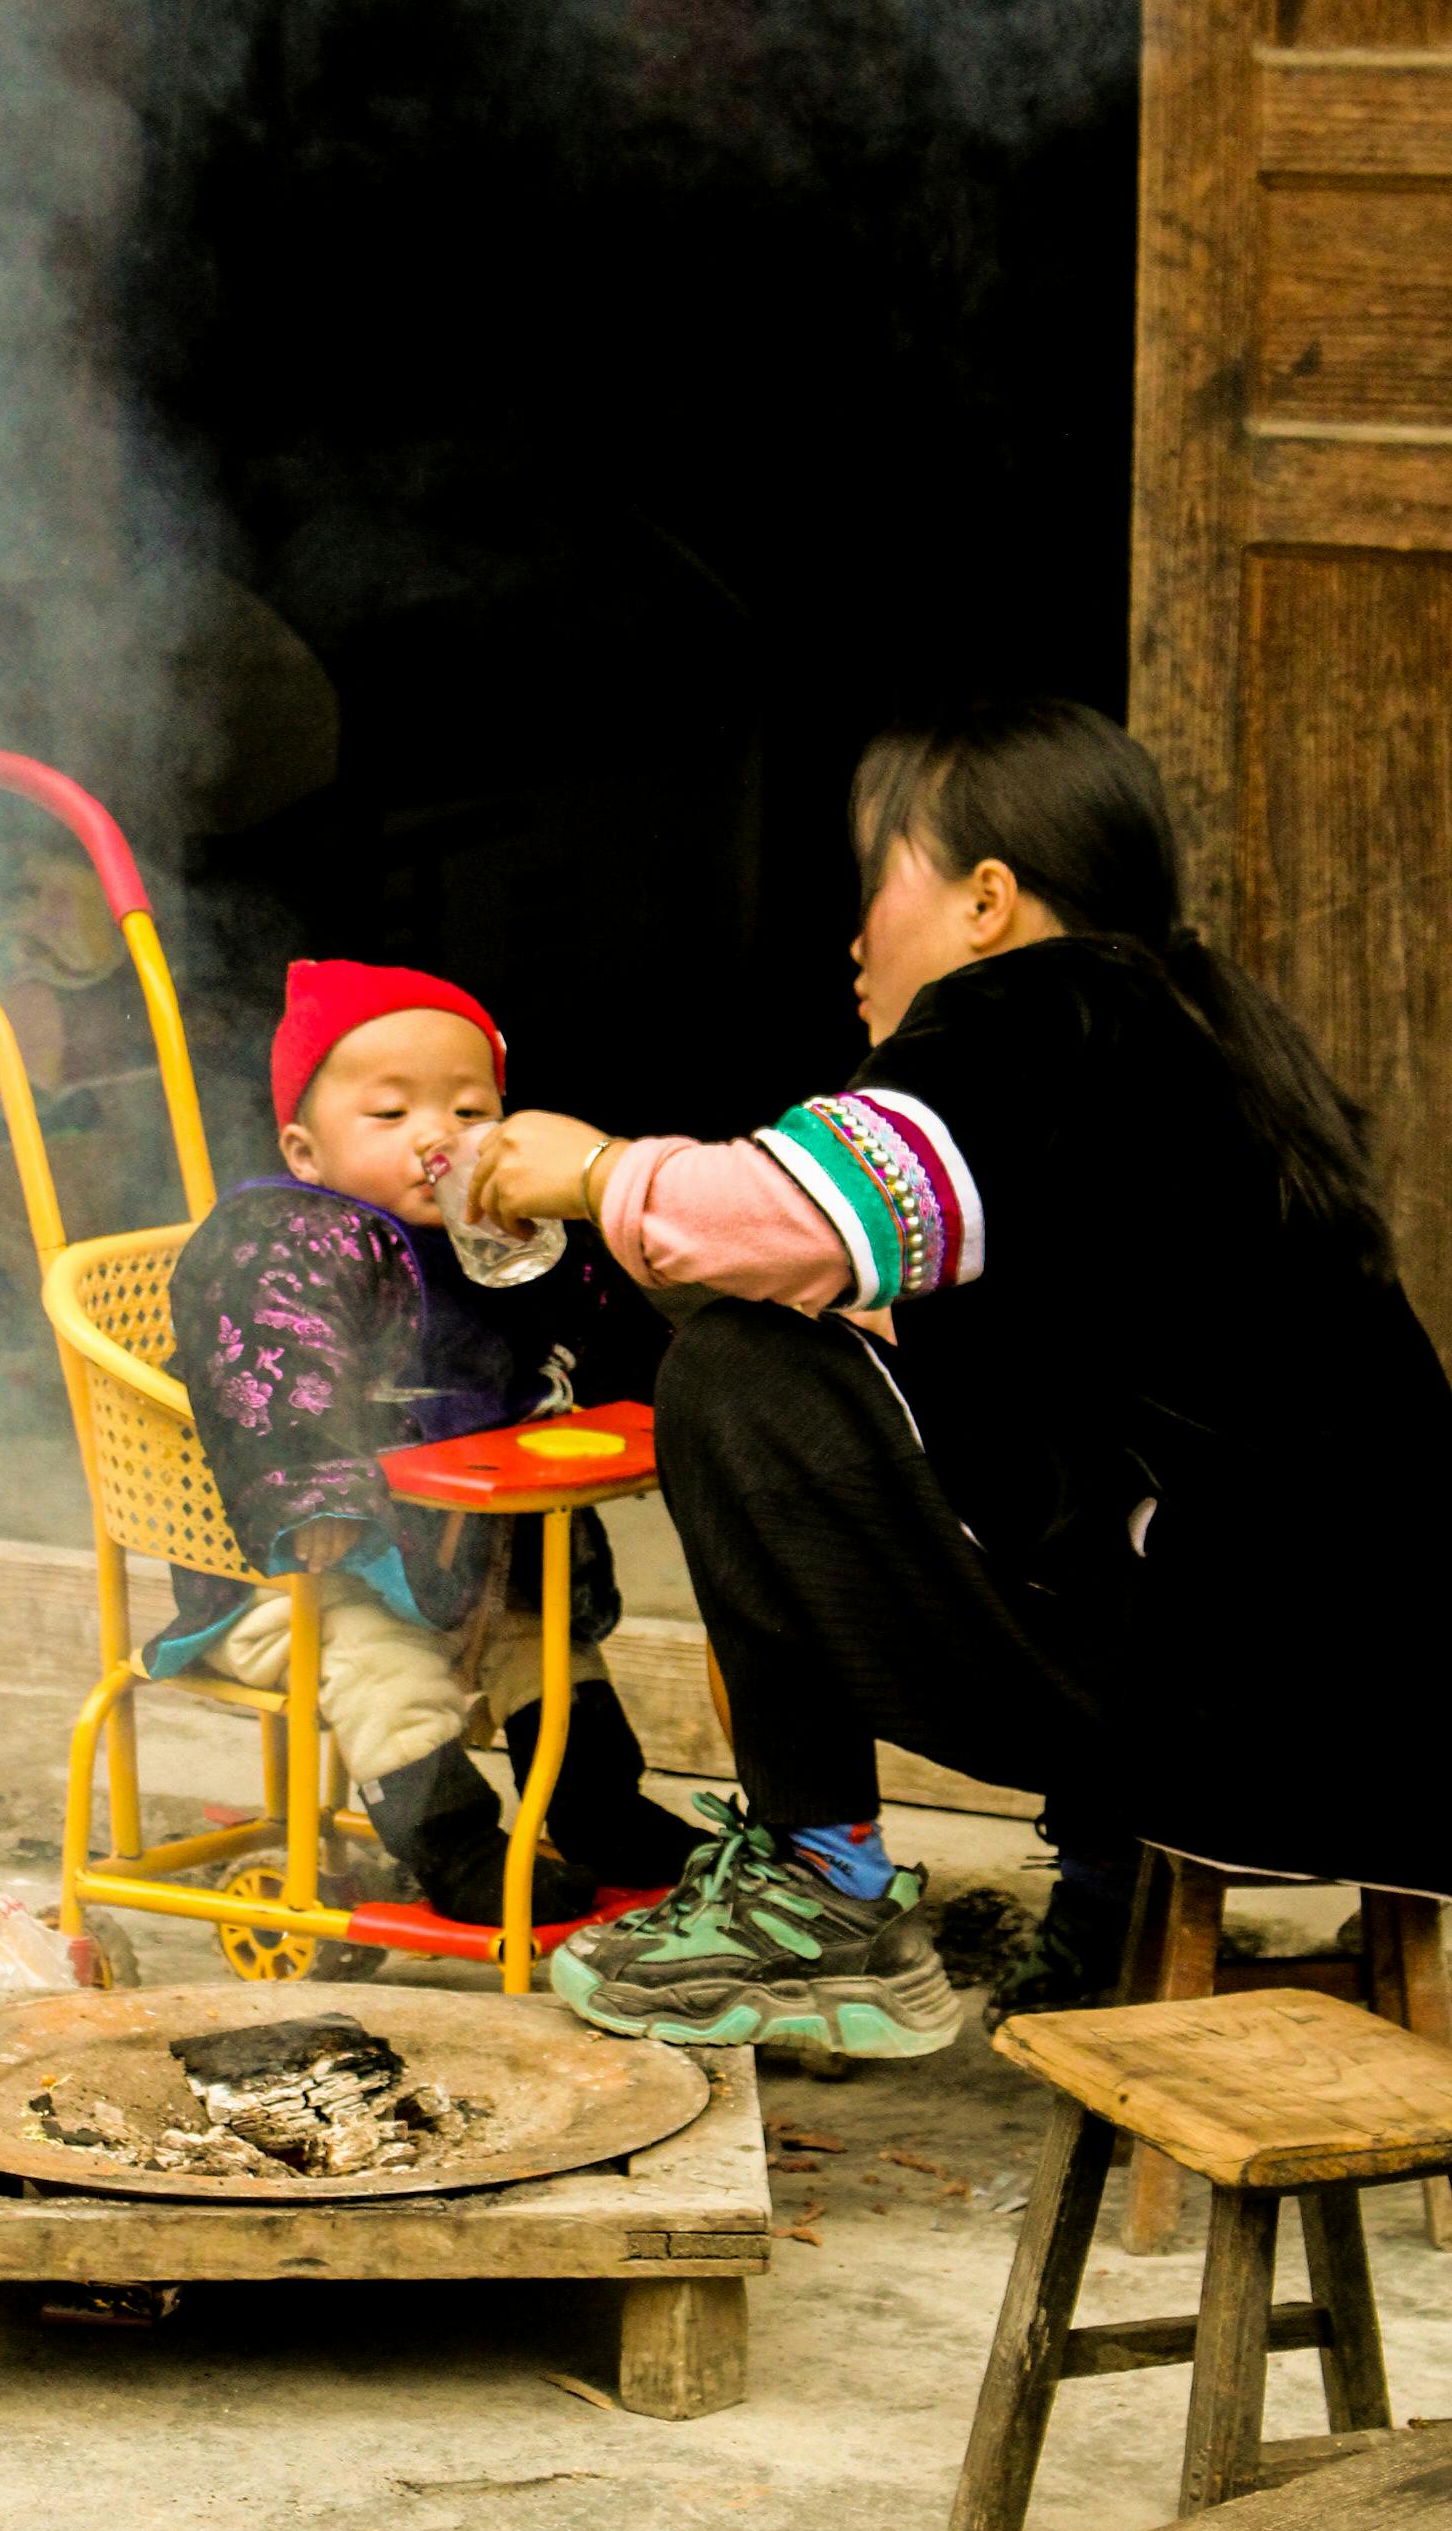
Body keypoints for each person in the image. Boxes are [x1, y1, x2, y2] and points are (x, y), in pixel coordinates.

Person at [470, 697, 1452, 2058]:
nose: (858, 933)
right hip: (1382, 1725)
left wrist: (587, 1172)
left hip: (1227, 1718)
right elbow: (1026, 1373)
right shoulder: (1196, 1030)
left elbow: (769, 1222)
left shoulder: (1042, 1011)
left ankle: (823, 1901)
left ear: (988, 900)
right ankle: (1110, 1897)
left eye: (881, 880)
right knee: (970, 1419)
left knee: (744, 1377)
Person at [148, 959, 685, 1925]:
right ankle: (457, 1844)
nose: (439, 1139)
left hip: (466, 1549)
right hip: (306, 1574)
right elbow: (269, 1353)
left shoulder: (491, 1237)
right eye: (390, 1117)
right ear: (306, 1152)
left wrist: (567, 1253)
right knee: (377, 1659)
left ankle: (598, 1807)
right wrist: (313, 1495)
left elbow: (596, 1339)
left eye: (471, 1114)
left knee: (547, 1641)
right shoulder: (284, 1237)